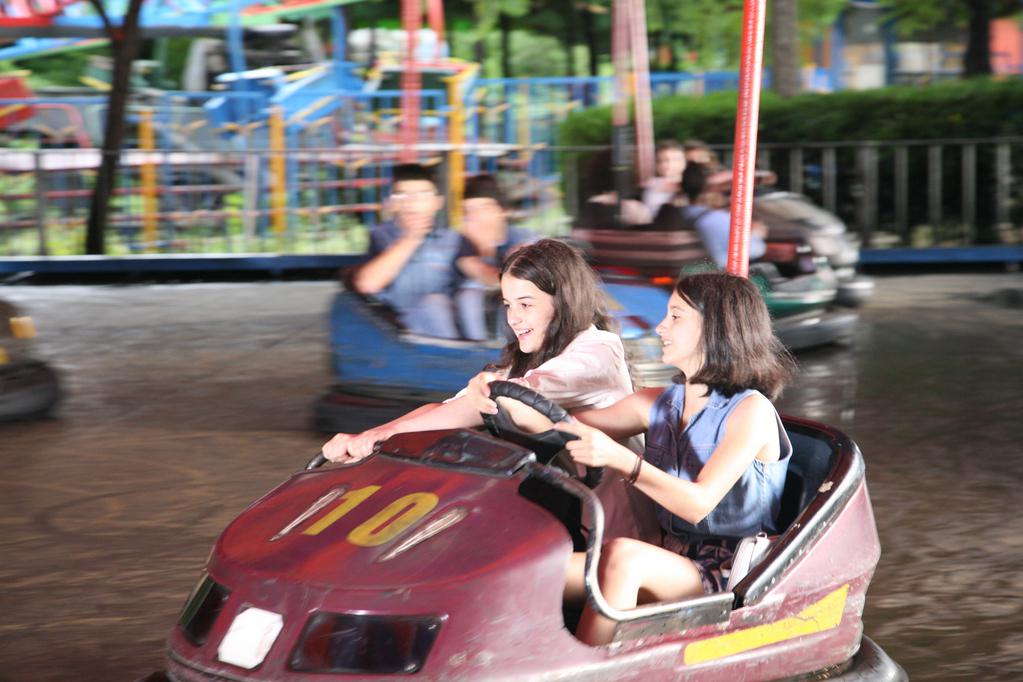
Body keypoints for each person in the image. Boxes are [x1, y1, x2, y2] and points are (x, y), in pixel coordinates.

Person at [475, 272, 795, 646]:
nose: (661, 327)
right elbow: (564, 428)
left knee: (624, 557)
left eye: (676, 316)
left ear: (717, 329)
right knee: (527, 567)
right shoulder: (659, 403)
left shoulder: (750, 412)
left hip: (729, 574)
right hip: (670, 556)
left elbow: (697, 504)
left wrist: (622, 460)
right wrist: (500, 396)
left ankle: (590, 673)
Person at [323, 238, 635, 463]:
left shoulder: (597, 351)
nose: (513, 318)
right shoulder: (529, 358)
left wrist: (384, 435)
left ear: (564, 301)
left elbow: (507, 398)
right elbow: (445, 409)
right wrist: (372, 437)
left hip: (614, 507)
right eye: (508, 305)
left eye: (526, 304)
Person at [353, 163, 493, 340]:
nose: (412, 203)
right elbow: (368, 284)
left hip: (449, 321)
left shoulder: (453, 239)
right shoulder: (381, 237)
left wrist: (502, 261)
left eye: (423, 195)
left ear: (437, 202)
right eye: (402, 195)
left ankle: (478, 354)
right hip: (402, 330)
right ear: (391, 203)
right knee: (434, 304)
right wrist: (411, 237)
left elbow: (478, 270)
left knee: (471, 296)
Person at [454, 174, 538, 341]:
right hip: (472, 321)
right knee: (469, 296)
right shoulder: (463, 243)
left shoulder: (521, 237)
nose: (475, 216)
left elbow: (525, 274)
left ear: (503, 211)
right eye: (468, 211)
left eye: (484, 208)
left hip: (519, 320)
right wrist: (485, 249)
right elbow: (483, 275)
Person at [677, 162, 767, 267]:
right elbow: (754, 250)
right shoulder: (717, 219)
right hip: (715, 277)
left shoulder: (679, 213)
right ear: (711, 190)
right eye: (726, 192)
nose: (728, 198)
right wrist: (756, 234)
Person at [641, 140, 687, 217]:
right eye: (660, 161)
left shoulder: (690, 185)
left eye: (673, 160)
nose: (665, 164)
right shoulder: (651, 184)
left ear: (684, 162)